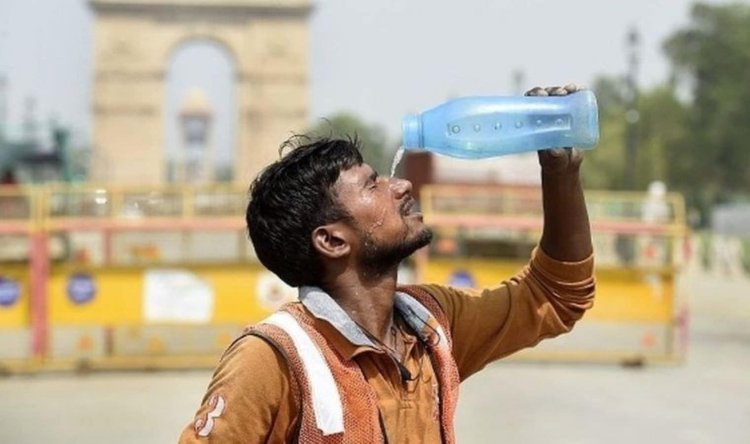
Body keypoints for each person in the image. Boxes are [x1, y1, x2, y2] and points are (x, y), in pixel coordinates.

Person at [179, 85, 596, 443]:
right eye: (372, 184)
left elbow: (556, 295)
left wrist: (560, 173)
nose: (401, 185)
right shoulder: (273, 360)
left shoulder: (433, 325)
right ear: (332, 240)